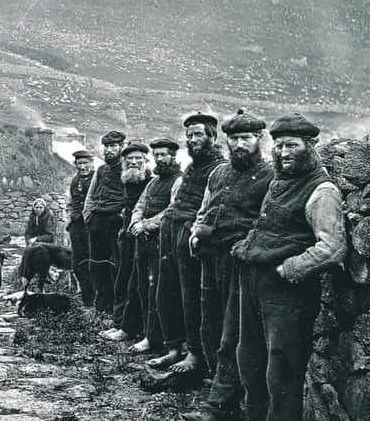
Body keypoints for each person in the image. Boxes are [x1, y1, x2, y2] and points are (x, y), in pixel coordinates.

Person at [230, 113, 346, 421]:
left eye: (292, 145)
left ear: (310, 146)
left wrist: (289, 269)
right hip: (255, 283)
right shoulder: (279, 183)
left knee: (281, 370)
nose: (283, 153)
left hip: (286, 293)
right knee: (249, 359)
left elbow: (332, 247)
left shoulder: (322, 190)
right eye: (279, 145)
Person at [181, 109, 274, 421]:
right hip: (211, 257)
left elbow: (265, 222)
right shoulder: (218, 173)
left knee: (233, 334)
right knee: (210, 323)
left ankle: (221, 406)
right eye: (233, 138)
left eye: (245, 138)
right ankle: (214, 386)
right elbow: (205, 209)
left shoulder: (270, 176)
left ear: (259, 139)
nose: (238, 145)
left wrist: (241, 247)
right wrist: (196, 233)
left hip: (240, 261)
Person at [148, 112, 226, 375]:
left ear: (212, 137)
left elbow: (211, 208)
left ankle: (194, 353)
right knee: (165, 291)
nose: (192, 140)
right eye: (189, 135)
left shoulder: (219, 167)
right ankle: (173, 348)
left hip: (189, 238)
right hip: (171, 231)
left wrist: (193, 233)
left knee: (190, 296)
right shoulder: (191, 167)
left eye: (198, 135)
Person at [103, 138, 182, 353]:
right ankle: (134, 329)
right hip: (142, 243)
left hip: (161, 244)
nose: (159, 159)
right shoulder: (153, 182)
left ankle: (153, 337)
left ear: (173, 157)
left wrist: (146, 225)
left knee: (155, 290)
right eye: (157, 155)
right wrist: (136, 222)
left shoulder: (178, 180)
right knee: (138, 286)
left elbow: (171, 209)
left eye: (163, 155)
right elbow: (140, 205)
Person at [101, 142, 153, 339]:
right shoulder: (127, 180)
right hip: (126, 236)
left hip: (142, 236)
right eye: (129, 159)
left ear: (146, 161)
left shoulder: (150, 181)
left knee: (134, 282)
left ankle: (129, 328)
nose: (133, 162)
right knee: (122, 278)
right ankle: (119, 322)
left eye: (138, 158)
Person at [83, 130, 126, 313]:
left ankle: (115, 309)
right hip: (97, 222)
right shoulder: (101, 170)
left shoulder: (128, 168)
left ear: (121, 147)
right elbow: (91, 195)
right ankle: (100, 307)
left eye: (113, 146)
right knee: (96, 264)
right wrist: (88, 215)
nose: (109, 150)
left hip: (115, 222)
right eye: (107, 146)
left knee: (115, 265)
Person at [66, 150, 95, 306]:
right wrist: (70, 220)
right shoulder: (74, 181)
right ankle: (87, 300)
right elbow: (70, 203)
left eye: (86, 163)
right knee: (78, 264)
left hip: (93, 226)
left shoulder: (98, 179)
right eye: (80, 164)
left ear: (92, 163)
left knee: (94, 263)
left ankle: (97, 301)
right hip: (77, 227)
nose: (83, 167)